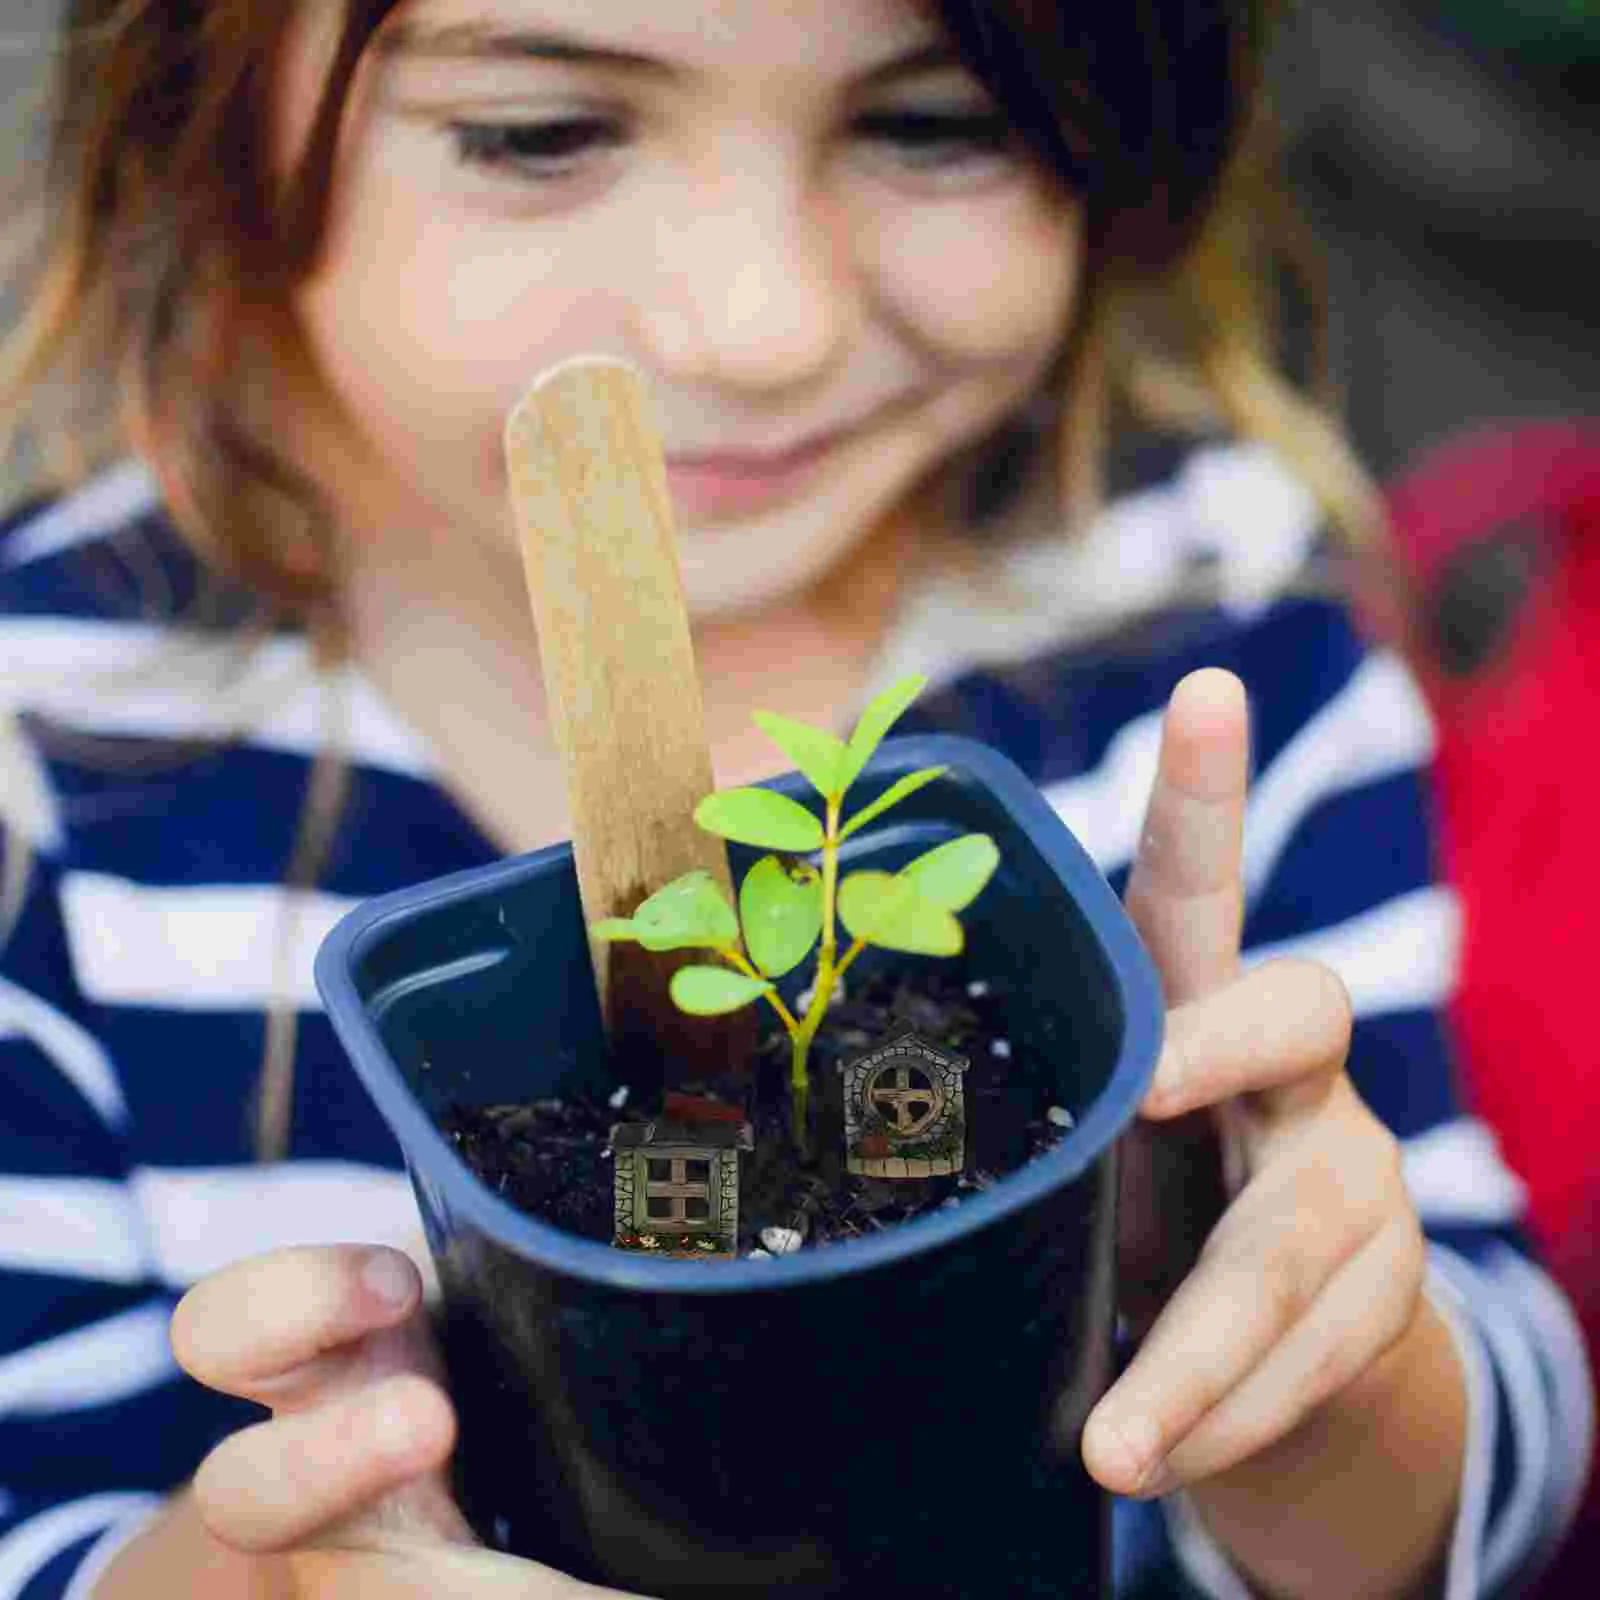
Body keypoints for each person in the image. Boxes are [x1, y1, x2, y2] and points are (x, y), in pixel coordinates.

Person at [0, 1, 1588, 1596]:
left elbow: (1496, 1447)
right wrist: (262, 1571)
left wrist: (1325, 1402)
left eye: (930, 125)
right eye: (541, 132)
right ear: (197, 109)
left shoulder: (1213, 621)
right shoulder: (49, 750)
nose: (761, 324)